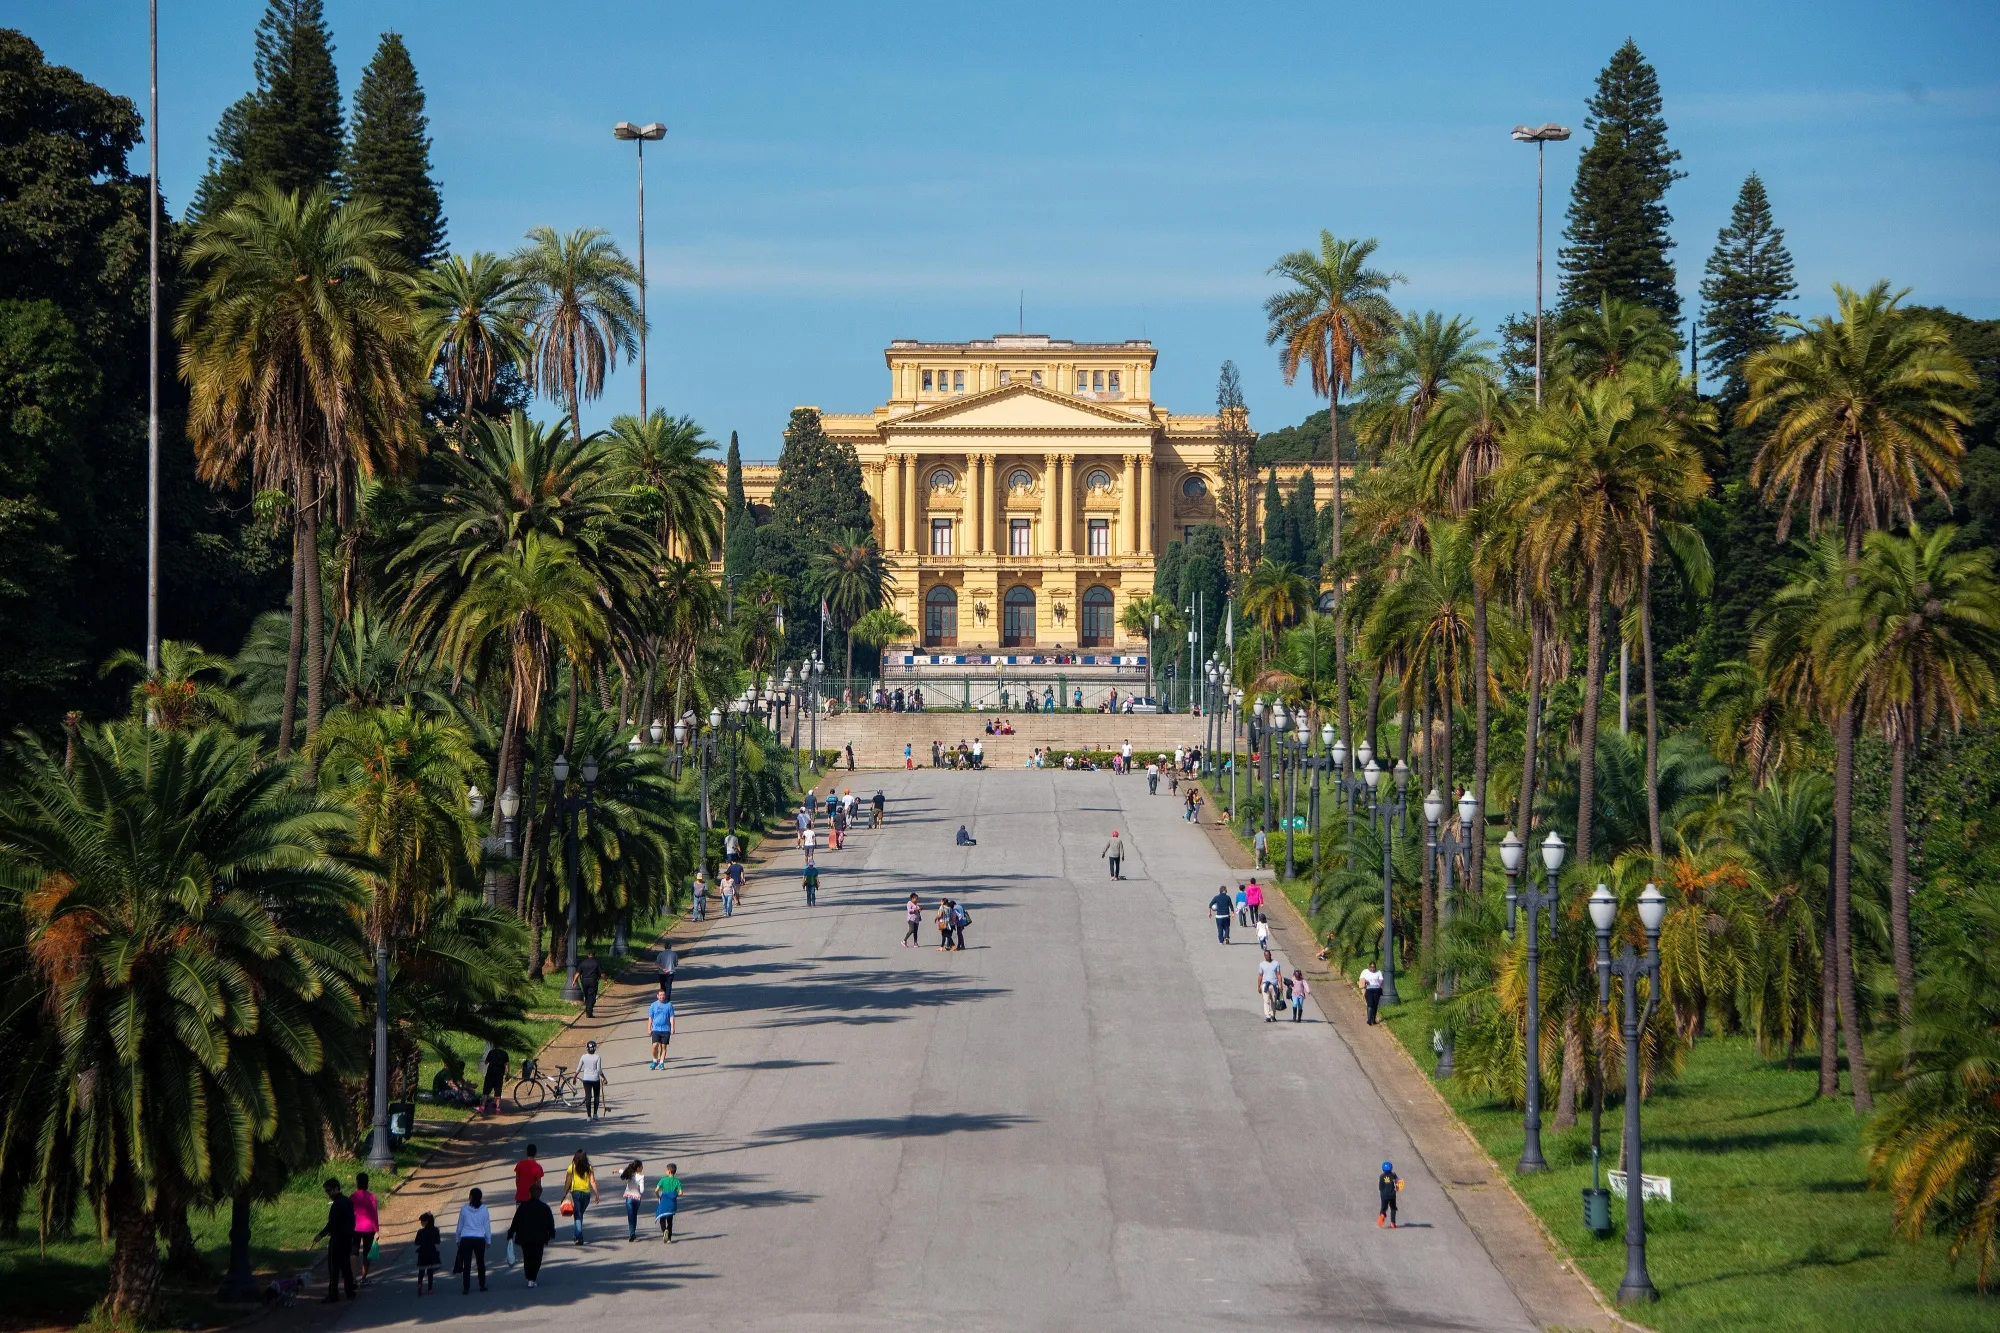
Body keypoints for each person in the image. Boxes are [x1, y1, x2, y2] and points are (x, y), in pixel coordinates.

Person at [316, 1178, 357, 1302]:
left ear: (336, 1188)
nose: (328, 1194)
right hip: (347, 1239)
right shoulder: (347, 1201)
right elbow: (352, 1221)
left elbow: (332, 1223)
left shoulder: (337, 1204)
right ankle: (349, 1292)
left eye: (329, 1191)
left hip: (338, 1240)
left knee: (334, 1269)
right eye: (326, 1191)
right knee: (345, 1267)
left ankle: (333, 1294)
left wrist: (321, 1235)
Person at [506, 1183, 556, 1287]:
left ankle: (529, 1275)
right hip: (539, 1237)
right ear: (540, 1194)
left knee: (527, 1256)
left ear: (529, 1193)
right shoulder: (544, 1207)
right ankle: (532, 1278)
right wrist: (551, 1233)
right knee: (537, 1257)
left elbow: (515, 1221)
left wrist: (511, 1233)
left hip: (525, 1237)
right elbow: (550, 1222)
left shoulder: (523, 1206)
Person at [454, 1187, 492, 1293]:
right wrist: (488, 1240)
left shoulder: (464, 1209)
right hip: (479, 1238)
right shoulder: (484, 1209)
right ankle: (482, 1285)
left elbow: (460, 1226)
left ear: (471, 1197)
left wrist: (457, 1238)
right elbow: (487, 1226)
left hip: (466, 1238)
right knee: (480, 1262)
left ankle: (466, 1287)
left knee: (467, 1263)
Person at [351, 1172, 381, 1284]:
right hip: (369, 1228)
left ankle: (353, 1278)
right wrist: (377, 1230)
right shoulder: (372, 1197)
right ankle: (363, 1278)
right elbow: (374, 1215)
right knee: (366, 1254)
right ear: (367, 1183)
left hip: (355, 1227)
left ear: (357, 1182)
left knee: (354, 1252)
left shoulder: (353, 1197)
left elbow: (350, 1213)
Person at [565, 1151, 598, 1244]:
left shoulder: (571, 1167)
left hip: (576, 1193)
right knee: (579, 1214)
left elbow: (568, 1181)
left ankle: (579, 1237)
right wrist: (596, 1194)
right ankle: (576, 1235)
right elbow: (593, 1181)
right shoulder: (589, 1168)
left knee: (578, 1215)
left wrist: (566, 1192)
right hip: (586, 1195)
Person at [413, 1212, 442, 1295]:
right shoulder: (436, 1230)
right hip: (432, 1252)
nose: (421, 1223)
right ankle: (430, 1289)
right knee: (430, 1271)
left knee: (421, 1271)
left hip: (422, 1252)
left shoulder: (420, 1232)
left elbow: (416, 1243)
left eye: (422, 1221)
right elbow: (438, 1241)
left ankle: (419, 1284)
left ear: (426, 1222)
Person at [577, 1040, 606, 1120]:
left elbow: (579, 1068)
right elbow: (599, 1070)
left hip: (586, 1080)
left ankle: (589, 1116)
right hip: (595, 1079)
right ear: (595, 1048)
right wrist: (604, 1078)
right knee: (596, 1096)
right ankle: (595, 1114)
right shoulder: (597, 1057)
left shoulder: (583, 1057)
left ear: (587, 1048)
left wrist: (575, 1076)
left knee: (588, 1097)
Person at [619, 1160, 647, 1241]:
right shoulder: (641, 1177)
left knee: (630, 1217)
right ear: (638, 1168)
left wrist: (617, 1170)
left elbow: (622, 1171)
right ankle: (633, 1233)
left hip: (629, 1198)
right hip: (637, 1199)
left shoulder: (629, 1174)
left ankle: (632, 1233)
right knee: (634, 1216)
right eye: (641, 1166)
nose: (642, 1168)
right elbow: (642, 1190)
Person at [655, 1163, 683, 1242]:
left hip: (664, 1201)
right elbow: (681, 1193)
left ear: (669, 1171)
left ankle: (664, 1231)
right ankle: (669, 1238)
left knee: (662, 1218)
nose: (665, 1171)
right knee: (670, 1220)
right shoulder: (677, 1181)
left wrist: (658, 1197)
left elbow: (656, 1190)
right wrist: (674, 1195)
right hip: (672, 1203)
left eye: (666, 1169)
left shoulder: (663, 1180)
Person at [648, 990, 675, 1068]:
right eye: (660, 995)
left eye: (663, 995)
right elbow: (650, 1018)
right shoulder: (653, 1005)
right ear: (657, 996)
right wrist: (649, 1028)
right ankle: (654, 1060)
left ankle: (661, 1062)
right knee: (654, 1045)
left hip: (666, 1029)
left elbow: (671, 1017)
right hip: (656, 1029)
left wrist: (672, 1027)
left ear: (665, 996)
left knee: (664, 1046)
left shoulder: (669, 1005)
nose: (662, 996)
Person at [571, 951, 602, 1018]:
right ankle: (589, 1012)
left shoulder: (583, 963)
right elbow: (602, 974)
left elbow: (578, 973)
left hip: (584, 981)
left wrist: (574, 981)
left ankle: (588, 1009)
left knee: (587, 996)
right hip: (593, 981)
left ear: (588, 955)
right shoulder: (596, 963)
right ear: (594, 955)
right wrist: (605, 980)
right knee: (592, 997)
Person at [480, 1044, 508, 1114]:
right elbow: (507, 1064)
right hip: (499, 1076)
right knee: (498, 1092)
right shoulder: (504, 1053)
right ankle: (498, 1109)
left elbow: (486, 1063)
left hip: (490, 1075)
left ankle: (482, 1107)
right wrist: (507, 1074)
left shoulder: (491, 1052)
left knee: (486, 1092)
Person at [1257, 951, 1283, 1022]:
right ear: (1264, 956)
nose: (1267, 956)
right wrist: (1259, 986)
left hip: (1274, 985)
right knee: (1266, 1001)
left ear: (1270, 955)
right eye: (1266, 955)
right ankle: (1267, 1016)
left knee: (1274, 1001)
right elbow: (1260, 975)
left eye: (1268, 955)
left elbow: (1278, 974)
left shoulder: (1276, 963)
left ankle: (1273, 1015)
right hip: (1265, 985)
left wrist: (1280, 985)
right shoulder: (1262, 964)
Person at [1378, 1162, 1403, 1228]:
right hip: (1392, 1195)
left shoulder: (1381, 1176)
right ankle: (1393, 1223)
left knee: (1383, 1208)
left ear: (1383, 1169)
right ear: (1391, 1168)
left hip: (1384, 1196)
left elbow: (1380, 1187)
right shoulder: (1393, 1175)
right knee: (1393, 1209)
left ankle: (1382, 1215)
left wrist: (1382, 1192)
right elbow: (1398, 1182)